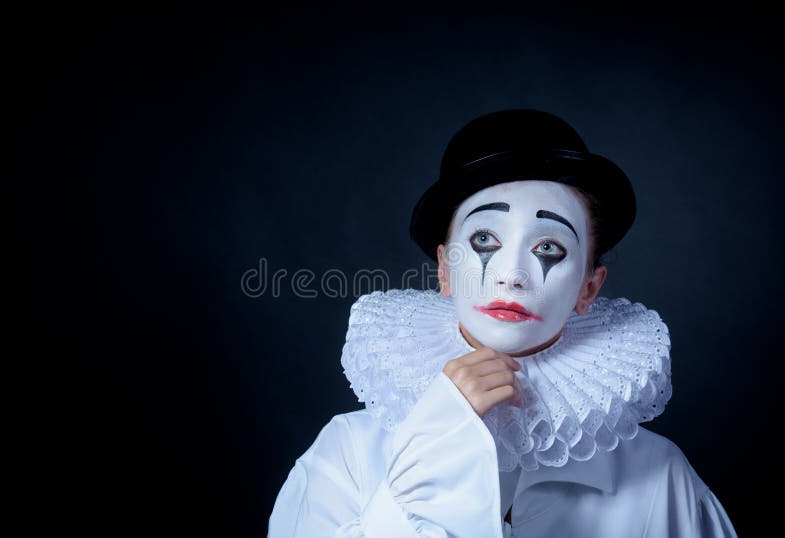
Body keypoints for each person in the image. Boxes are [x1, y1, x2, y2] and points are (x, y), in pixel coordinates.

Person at [267, 109, 737, 537]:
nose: (512, 275)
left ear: (588, 288)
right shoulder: (348, 452)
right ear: (445, 269)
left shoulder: (659, 476)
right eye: (485, 238)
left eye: (549, 248)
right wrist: (437, 443)